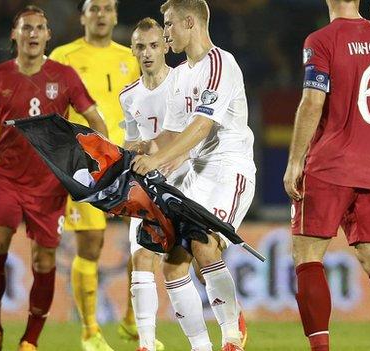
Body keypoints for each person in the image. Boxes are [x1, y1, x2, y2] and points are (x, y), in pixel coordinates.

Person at [0, 5, 107, 351]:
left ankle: (30, 341)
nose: (33, 33)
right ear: (15, 35)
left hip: (50, 183)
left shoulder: (65, 76)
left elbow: (96, 121)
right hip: (6, 176)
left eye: (40, 28)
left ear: (48, 36)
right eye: (27, 28)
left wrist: (96, 165)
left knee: (44, 260)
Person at [282, 1, 370, 350]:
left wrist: (295, 161)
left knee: (307, 256)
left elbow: (312, 101)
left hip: (329, 164)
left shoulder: (320, 40)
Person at [131, 1, 255, 350]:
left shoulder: (220, 63)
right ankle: (201, 346)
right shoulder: (181, 75)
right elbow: (169, 137)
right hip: (198, 173)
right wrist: (133, 156)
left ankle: (231, 337)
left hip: (230, 169)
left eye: (169, 24)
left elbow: (202, 126)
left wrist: (158, 162)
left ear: (190, 22)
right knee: (172, 265)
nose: (165, 31)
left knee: (203, 243)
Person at [48, 1, 141, 350]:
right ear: (83, 16)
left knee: (142, 241)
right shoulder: (64, 56)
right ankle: (90, 332)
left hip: (127, 161)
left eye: (107, 8)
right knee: (90, 245)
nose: (101, 14)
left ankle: (133, 322)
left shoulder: (131, 57)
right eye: (94, 8)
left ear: (115, 15)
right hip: (83, 164)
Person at [118, 17, 186, 351]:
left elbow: (192, 134)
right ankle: (145, 343)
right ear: (132, 49)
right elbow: (132, 143)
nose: (147, 53)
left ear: (166, 47)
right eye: (141, 47)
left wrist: (153, 149)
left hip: (186, 184)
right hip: (148, 189)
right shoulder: (128, 96)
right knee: (142, 260)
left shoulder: (184, 82)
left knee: (198, 263)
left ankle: (232, 323)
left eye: (154, 45)